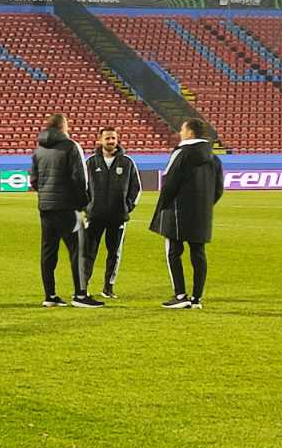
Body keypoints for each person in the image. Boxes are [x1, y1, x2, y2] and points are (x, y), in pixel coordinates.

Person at [150, 117, 224, 309]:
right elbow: (218, 189)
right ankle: (197, 298)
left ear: (190, 132)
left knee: (174, 252)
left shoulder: (181, 153)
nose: (180, 133)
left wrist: (162, 207)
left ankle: (180, 295)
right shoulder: (213, 158)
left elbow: (169, 182)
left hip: (177, 212)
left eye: (182, 130)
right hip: (201, 214)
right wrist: (204, 206)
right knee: (198, 252)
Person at [29, 112, 101, 308]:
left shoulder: (38, 150)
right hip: (68, 207)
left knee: (48, 251)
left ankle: (50, 295)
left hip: (45, 207)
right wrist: (84, 203)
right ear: (63, 127)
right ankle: (80, 294)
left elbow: (34, 180)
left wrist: (45, 195)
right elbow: (80, 178)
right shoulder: (71, 146)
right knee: (78, 250)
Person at [82, 126, 140, 298]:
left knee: (114, 253)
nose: (111, 141)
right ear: (100, 140)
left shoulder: (127, 162)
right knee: (88, 252)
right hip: (95, 216)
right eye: (107, 138)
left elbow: (136, 189)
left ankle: (108, 287)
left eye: (113, 138)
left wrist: (126, 207)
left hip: (117, 217)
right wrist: (88, 207)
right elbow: (82, 189)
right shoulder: (91, 162)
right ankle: (83, 287)